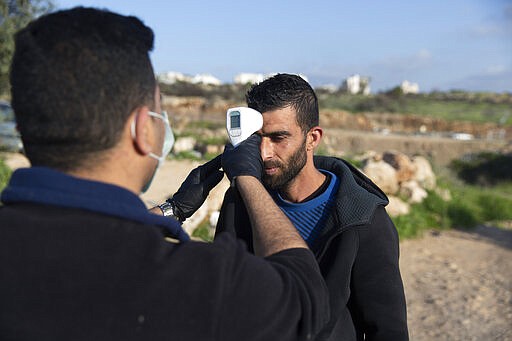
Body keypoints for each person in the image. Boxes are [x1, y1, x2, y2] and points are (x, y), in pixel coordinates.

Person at [0, 8, 330, 340]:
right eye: (160, 112)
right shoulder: (196, 283)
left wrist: (173, 209)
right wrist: (248, 178)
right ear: (142, 129)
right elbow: (303, 298)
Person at [215, 73, 409, 340]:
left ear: (312, 138)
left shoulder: (363, 219)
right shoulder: (240, 202)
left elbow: (388, 330)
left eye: (278, 137)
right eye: (256, 138)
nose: (264, 152)